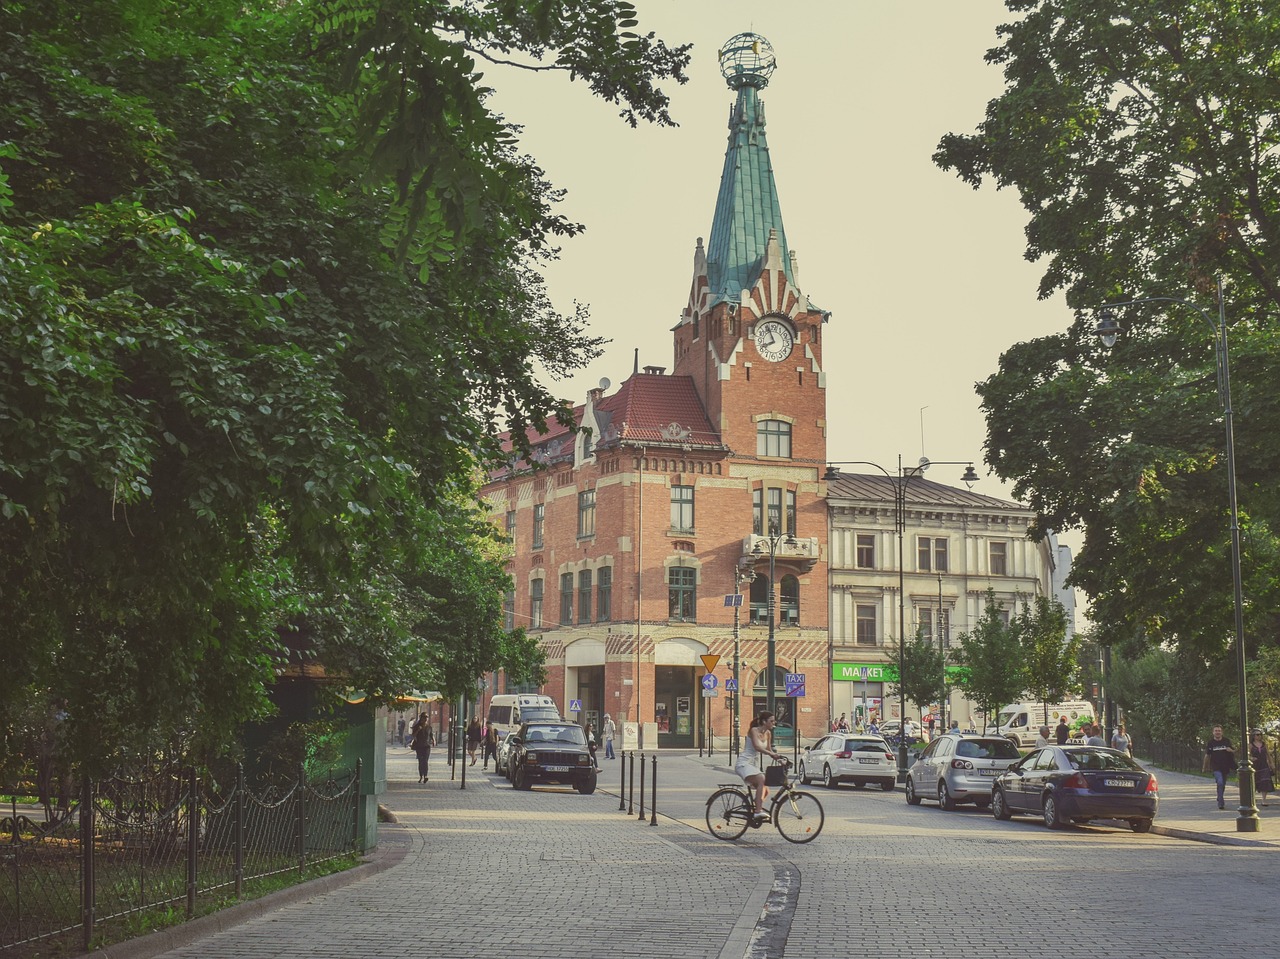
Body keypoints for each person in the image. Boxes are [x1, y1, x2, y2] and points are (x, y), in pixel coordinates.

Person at [735, 711, 787, 823]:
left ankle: (753, 807)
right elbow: (757, 747)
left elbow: (769, 749)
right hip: (744, 763)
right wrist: (771, 754)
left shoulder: (768, 733)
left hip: (754, 764)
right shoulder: (754, 730)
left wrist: (779, 760)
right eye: (771, 721)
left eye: (774, 721)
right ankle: (758, 811)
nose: (774, 723)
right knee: (761, 779)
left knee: (765, 789)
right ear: (764, 722)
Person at [1203, 725, 1235, 810]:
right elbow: (1207, 755)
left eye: (1219, 731)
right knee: (1220, 782)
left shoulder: (1226, 741)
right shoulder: (1211, 743)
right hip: (1215, 766)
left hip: (1225, 766)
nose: (1217, 732)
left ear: (1222, 732)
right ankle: (1221, 802)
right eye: (1216, 731)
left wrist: (1230, 750)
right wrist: (1204, 767)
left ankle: (1219, 796)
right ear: (1213, 732)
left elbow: (1234, 751)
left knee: (1223, 784)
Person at [1250, 729, 1272, 806]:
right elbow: (1248, 755)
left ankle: (1264, 800)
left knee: (1265, 781)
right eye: (1257, 734)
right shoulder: (1250, 745)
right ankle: (1253, 798)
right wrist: (1251, 758)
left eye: (1260, 734)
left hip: (1264, 765)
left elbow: (1268, 754)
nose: (1259, 736)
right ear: (1253, 736)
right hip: (1255, 765)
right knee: (1255, 781)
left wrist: (1271, 763)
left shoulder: (1264, 744)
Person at [409, 714, 434, 783]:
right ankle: (421, 776)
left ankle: (425, 776)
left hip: (427, 746)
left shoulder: (429, 727)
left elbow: (431, 734)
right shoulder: (417, 726)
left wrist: (434, 740)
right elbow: (413, 735)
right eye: (424, 717)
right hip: (419, 746)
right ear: (421, 718)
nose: (426, 719)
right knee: (420, 761)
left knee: (425, 761)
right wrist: (418, 730)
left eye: (427, 717)